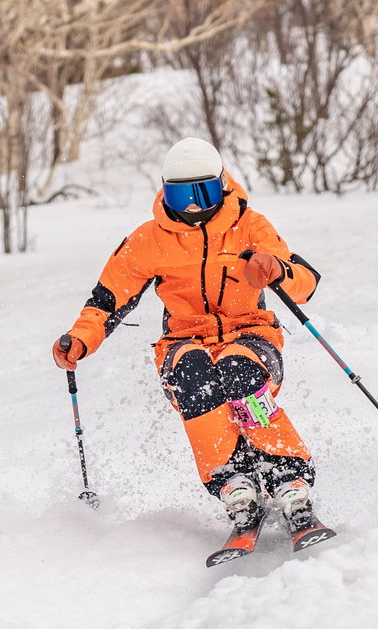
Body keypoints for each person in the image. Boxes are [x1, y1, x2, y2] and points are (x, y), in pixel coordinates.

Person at [51, 137, 324, 536]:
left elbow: (306, 282)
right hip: (183, 342)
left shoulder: (249, 226)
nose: (194, 205)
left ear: (222, 183)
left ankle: (288, 476)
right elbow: (107, 300)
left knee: (238, 370)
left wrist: (274, 269)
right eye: (181, 195)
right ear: (165, 191)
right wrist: (80, 338)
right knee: (194, 374)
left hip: (251, 334)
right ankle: (233, 481)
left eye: (203, 191)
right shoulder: (148, 239)